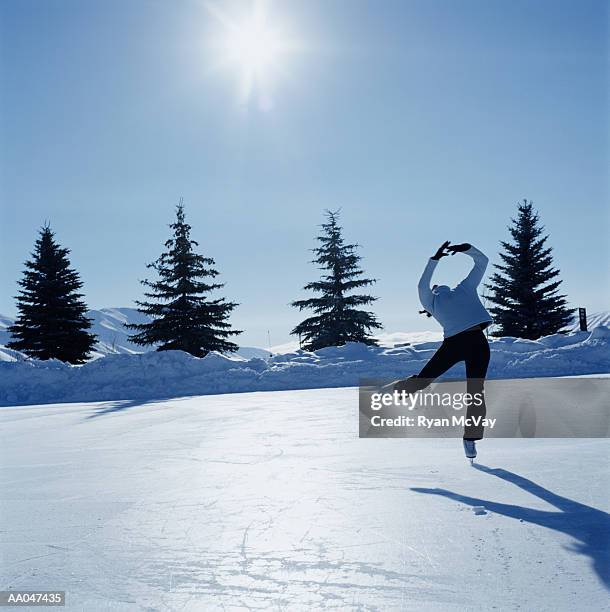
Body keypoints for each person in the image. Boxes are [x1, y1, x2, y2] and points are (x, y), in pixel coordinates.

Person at [394, 241, 493, 461]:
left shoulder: (433, 300)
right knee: (475, 393)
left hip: (457, 343)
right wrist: (467, 249)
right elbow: (482, 262)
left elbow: (422, 286)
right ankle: (470, 439)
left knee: (426, 380)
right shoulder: (460, 290)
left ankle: (400, 389)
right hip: (476, 341)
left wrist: (434, 260)